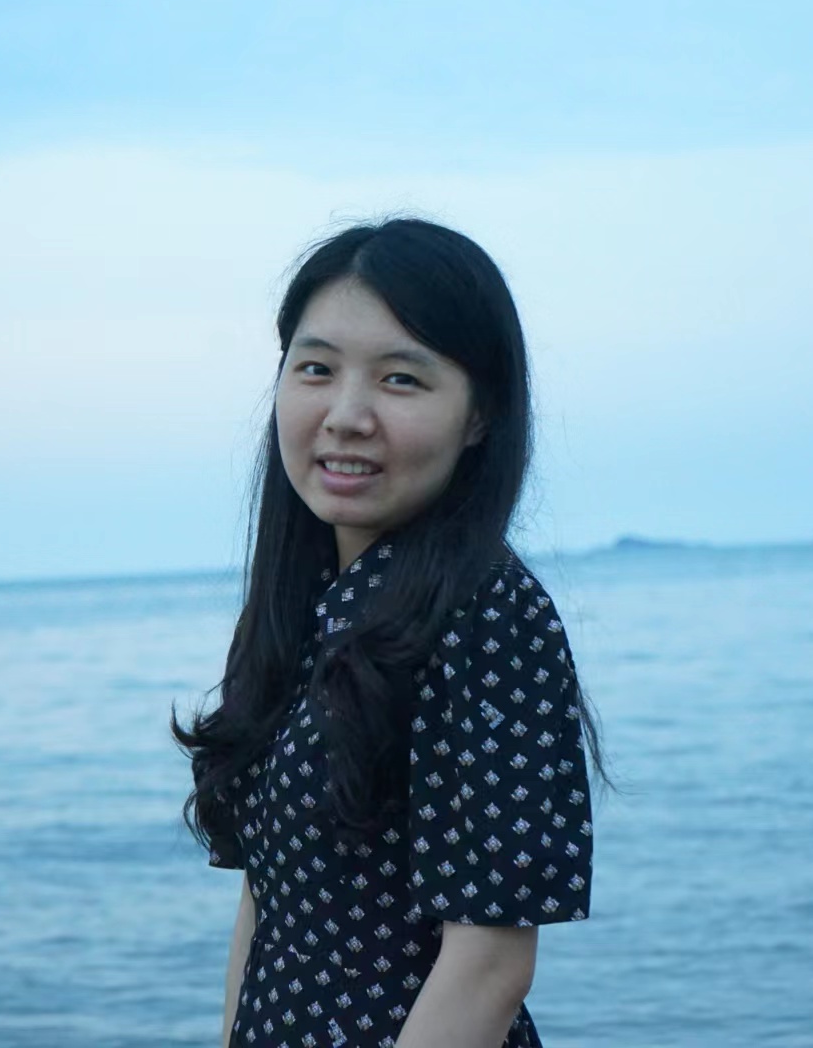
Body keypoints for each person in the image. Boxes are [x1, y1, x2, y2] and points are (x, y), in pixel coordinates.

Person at [173, 217, 605, 1048]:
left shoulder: (487, 613)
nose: (346, 415)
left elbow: (490, 962)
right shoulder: (307, 610)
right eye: (316, 369)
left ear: (479, 416)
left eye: (401, 380)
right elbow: (266, 905)